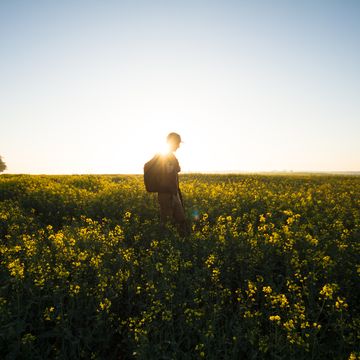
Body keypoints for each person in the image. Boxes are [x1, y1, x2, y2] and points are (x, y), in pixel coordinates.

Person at [157, 132, 190, 236]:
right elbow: (168, 173)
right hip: (167, 195)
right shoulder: (166, 156)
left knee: (181, 221)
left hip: (173, 194)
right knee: (166, 223)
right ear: (173, 142)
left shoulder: (170, 156)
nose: (179, 146)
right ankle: (163, 245)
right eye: (178, 143)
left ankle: (183, 244)